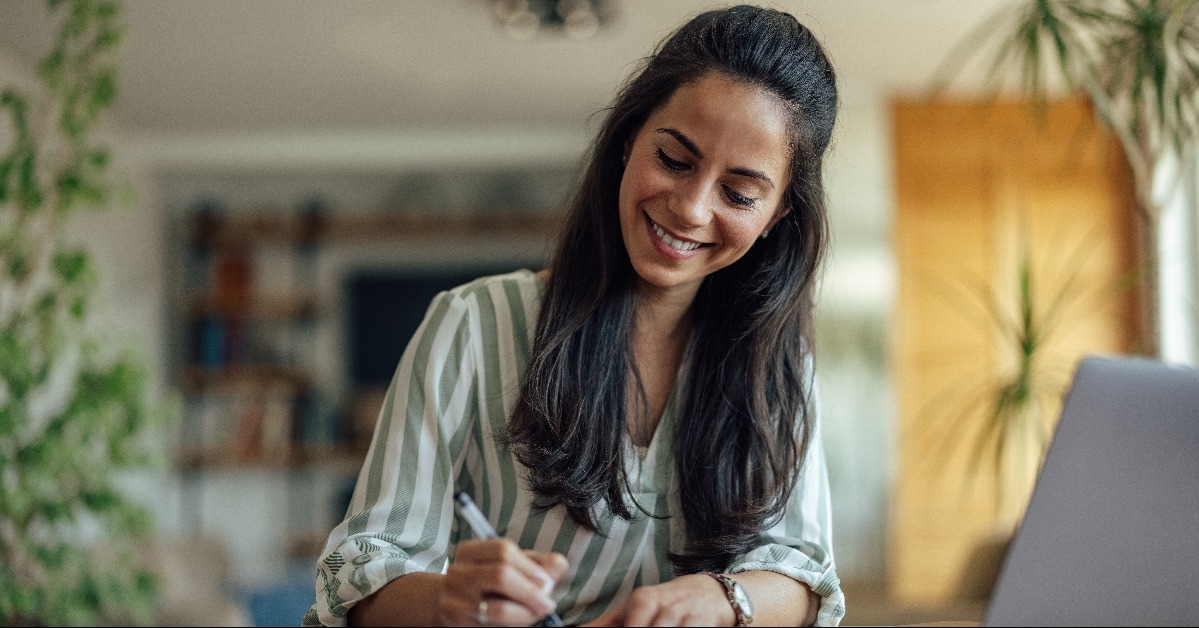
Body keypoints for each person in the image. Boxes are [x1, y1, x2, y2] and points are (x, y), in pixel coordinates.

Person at [303, 4, 844, 626]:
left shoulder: (777, 361)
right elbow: (356, 570)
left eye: (740, 193)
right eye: (673, 159)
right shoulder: (473, 324)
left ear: (776, 214)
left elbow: (807, 574)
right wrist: (452, 601)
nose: (692, 208)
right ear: (628, 141)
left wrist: (725, 600)